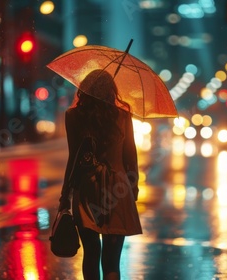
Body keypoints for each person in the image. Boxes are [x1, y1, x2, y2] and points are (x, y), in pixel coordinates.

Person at [58, 70, 142, 280]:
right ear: (111, 92)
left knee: (91, 254)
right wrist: (133, 188)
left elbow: (74, 159)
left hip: (87, 189)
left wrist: (65, 197)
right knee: (112, 259)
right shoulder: (123, 117)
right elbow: (130, 157)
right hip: (117, 190)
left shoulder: (73, 116)